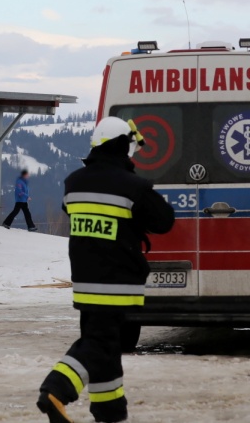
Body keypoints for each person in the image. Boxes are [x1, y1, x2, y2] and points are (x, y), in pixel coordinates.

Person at [37, 117, 174, 423]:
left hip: (86, 281)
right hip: (118, 282)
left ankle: (109, 412)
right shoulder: (133, 186)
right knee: (99, 346)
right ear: (123, 146)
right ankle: (56, 390)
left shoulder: (74, 182)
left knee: (106, 347)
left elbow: (75, 211)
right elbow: (164, 221)